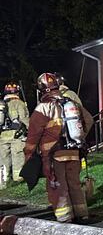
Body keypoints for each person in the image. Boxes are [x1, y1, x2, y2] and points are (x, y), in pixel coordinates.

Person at [24, 73, 92, 222]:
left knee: (58, 186)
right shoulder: (71, 103)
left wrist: (29, 153)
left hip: (54, 155)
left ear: (42, 89)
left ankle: (65, 217)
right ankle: (82, 213)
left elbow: (33, 135)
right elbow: (88, 120)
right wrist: (79, 138)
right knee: (74, 183)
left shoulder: (43, 108)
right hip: (74, 151)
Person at [0, 82, 29, 187]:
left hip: (2, 136)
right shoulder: (19, 103)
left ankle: (3, 184)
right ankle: (18, 181)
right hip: (17, 136)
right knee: (17, 158)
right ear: (17, 91)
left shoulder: (1, 104)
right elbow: (24, 119)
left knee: (3, 160)